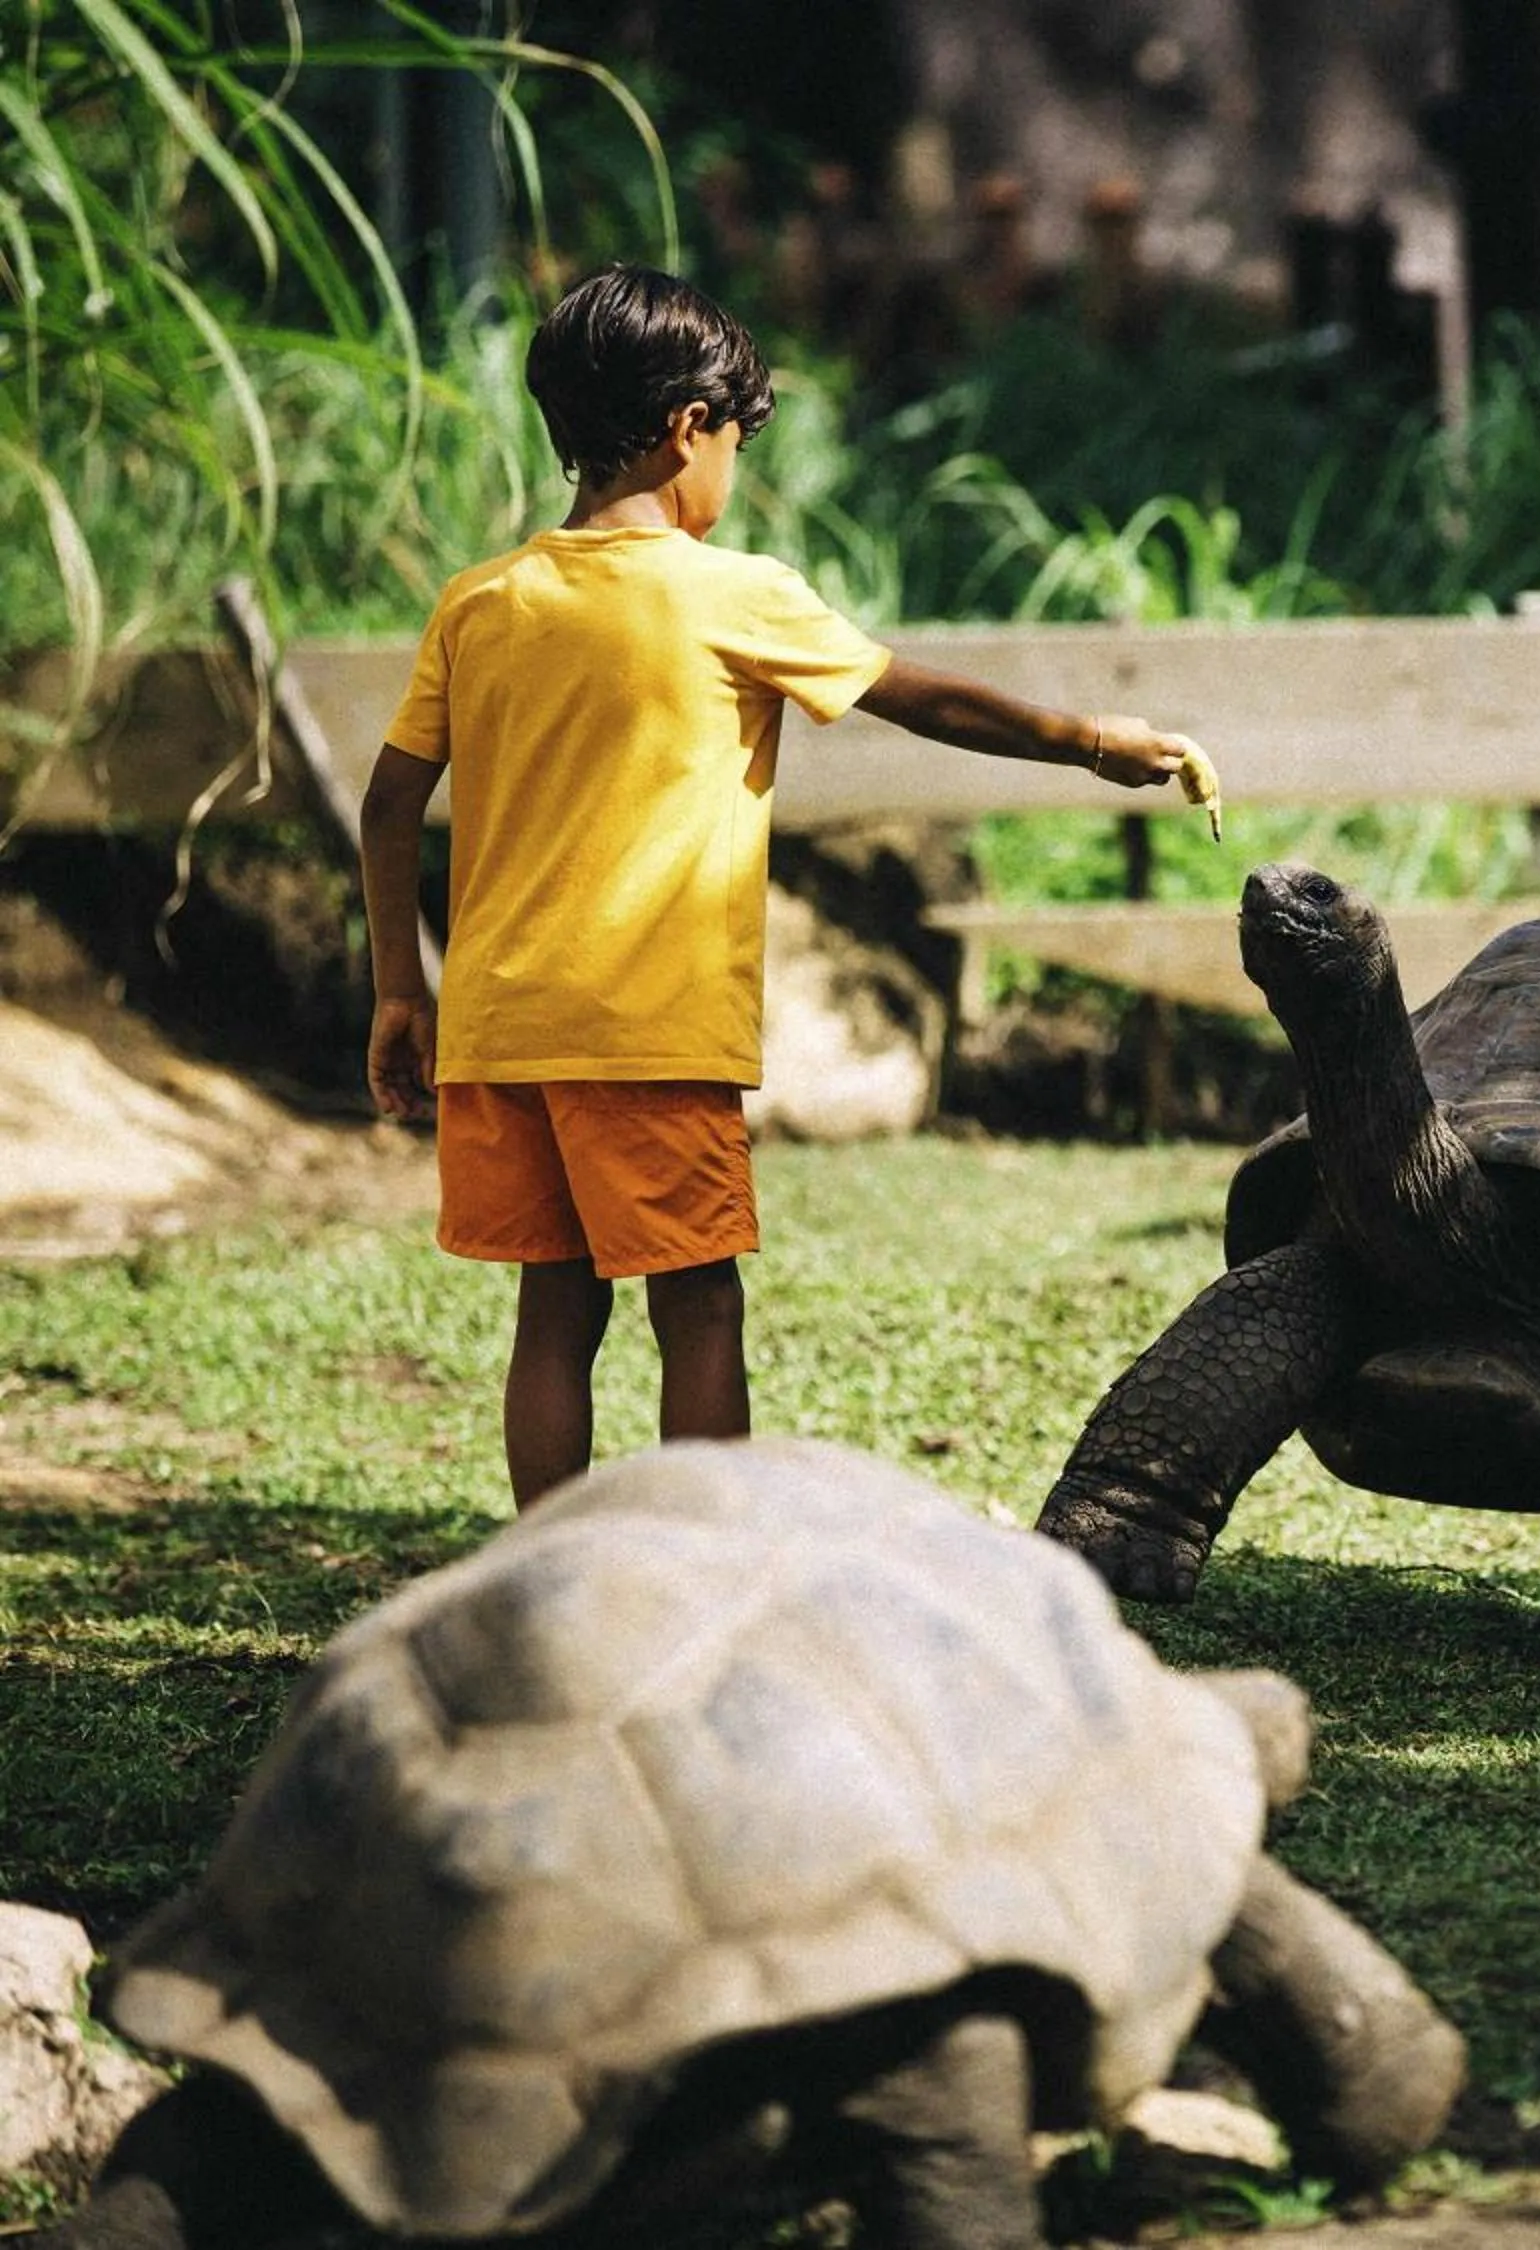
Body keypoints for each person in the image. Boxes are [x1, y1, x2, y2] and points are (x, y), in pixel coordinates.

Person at [358, 262, 1206, 1511]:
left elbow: (387, 808)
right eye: (733, 443)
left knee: (557, 1301)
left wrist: (397, 992)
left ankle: (544, 1567)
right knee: (697, 1302)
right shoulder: (733, 595)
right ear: (686, 428)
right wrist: (1085, 739)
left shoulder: (480, 602)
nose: (731, 475)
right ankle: (712, 1560)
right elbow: (925, 700)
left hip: (500, 1024)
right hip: (646, 1030)